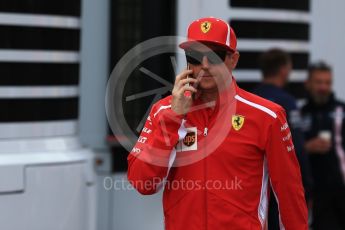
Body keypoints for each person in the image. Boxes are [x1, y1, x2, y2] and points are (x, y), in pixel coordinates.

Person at [127, 17, 308, 229]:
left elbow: (289, 192)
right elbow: (143, 183)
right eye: (195, 56)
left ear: (233, 59)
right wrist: (173, 118)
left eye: (215, 56)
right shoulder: (164, 112)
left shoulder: (267, 115)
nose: (204, 65)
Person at [254, 49, 313, 230]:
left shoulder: (250, 100)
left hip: (256, 187)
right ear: (284, 70)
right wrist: (308, 185)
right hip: (281, 188)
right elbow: (296, 149)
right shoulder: (286, 103)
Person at [301, 61, 345, 230]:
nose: (323, 87)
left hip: (342, 188)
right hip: (317, 194)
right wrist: (306, 147)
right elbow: (290, 150)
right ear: (308, 84)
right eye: (319, 82)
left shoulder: (341, 110)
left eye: (327, 83)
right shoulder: (300, 113)